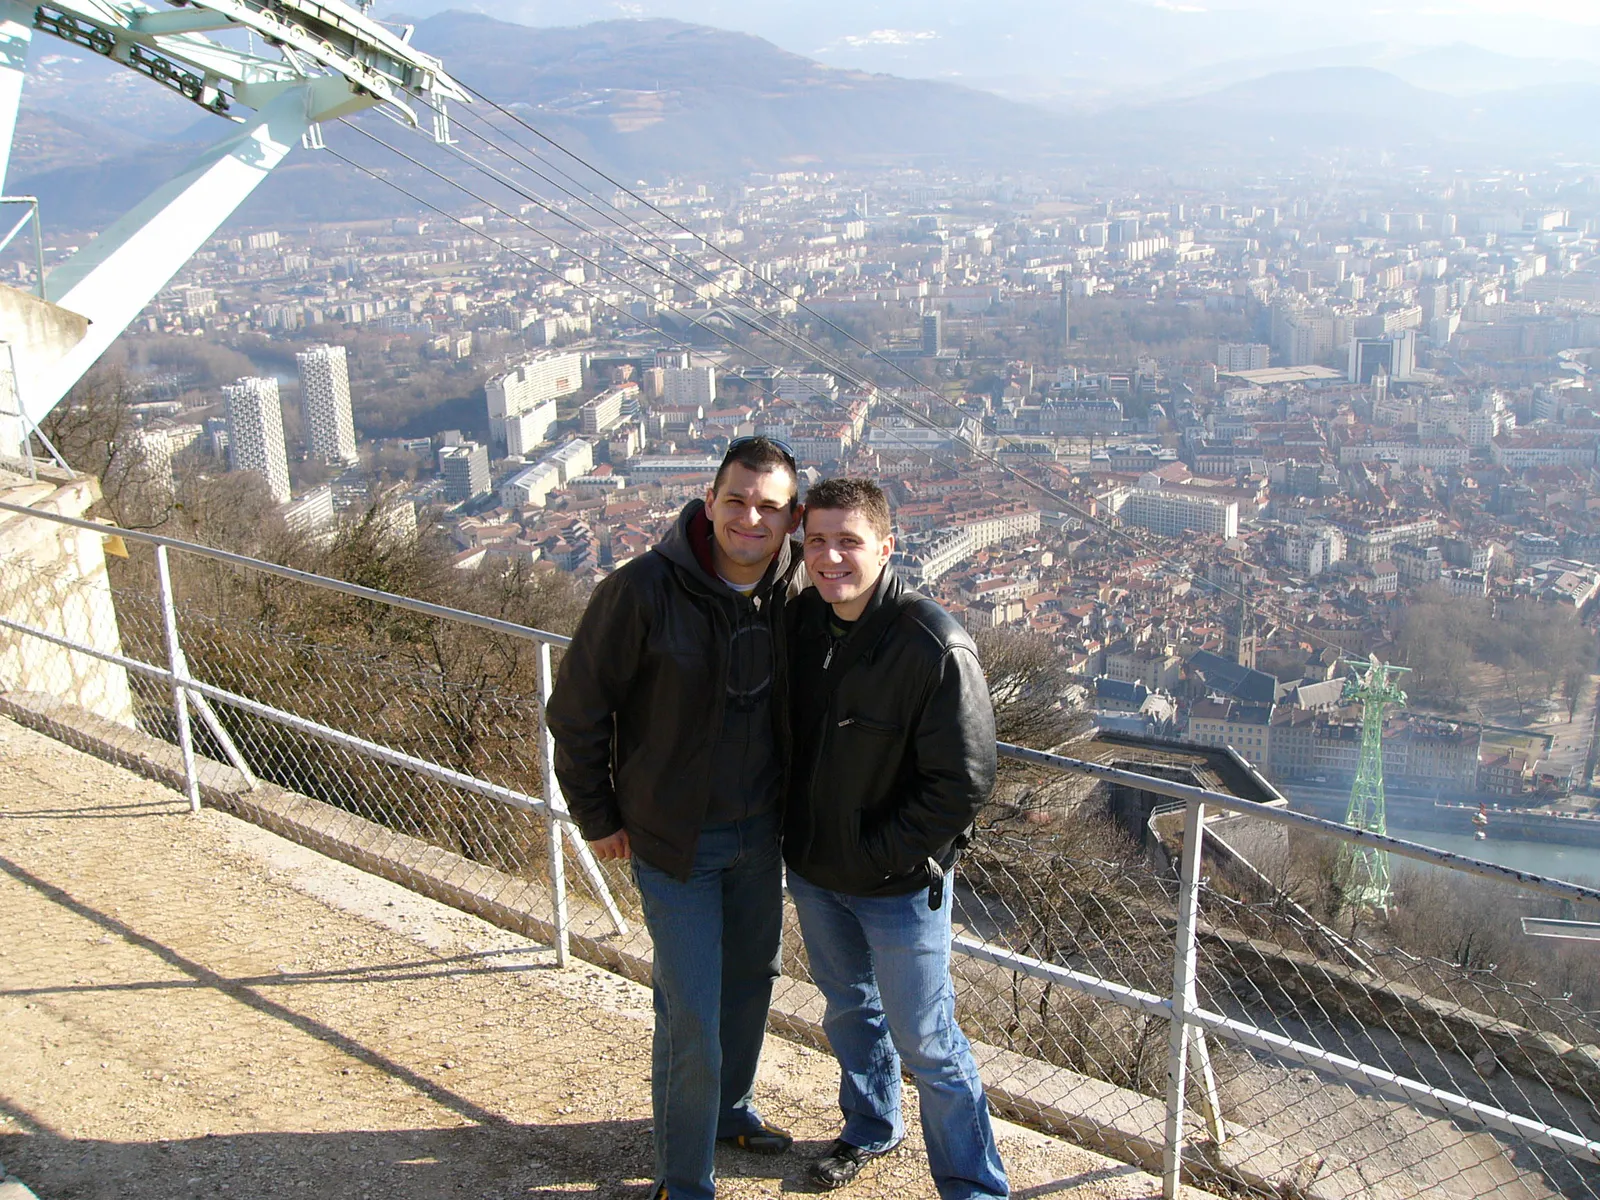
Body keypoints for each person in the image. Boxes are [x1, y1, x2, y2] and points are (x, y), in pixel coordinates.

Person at [546, 437, 804, 1200]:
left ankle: (727, 1112)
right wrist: (596, 814)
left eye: (768, 506)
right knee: (690, 1008)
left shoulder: (801, 590)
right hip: (673, 838)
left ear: (791, 517)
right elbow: (577, 712)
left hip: (762, 833)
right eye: (737, 500)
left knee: (753, 980)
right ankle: (684, 1179)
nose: (750, 518)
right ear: (710, 500)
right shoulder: (641, 590)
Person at [784, 477, 1008, 1198]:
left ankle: (973, 1187)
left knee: (929, 1042)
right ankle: (870, 1125)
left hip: (898, 884)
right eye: (817, 541)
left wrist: (878, 855)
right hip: (815, 870)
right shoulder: (802, 624)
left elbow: (963, 783)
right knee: (849, 1010)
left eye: (848, 541)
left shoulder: (935, 644)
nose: (830, 557)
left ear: (886, 546)